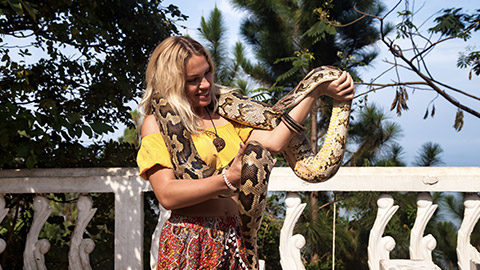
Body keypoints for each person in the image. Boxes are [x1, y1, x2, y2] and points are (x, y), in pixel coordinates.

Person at [137, 36, 355, 269]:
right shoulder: (155, 124)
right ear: (171, 83)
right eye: (193, 80)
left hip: (236, 238)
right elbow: (167, 195)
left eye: (207, 73)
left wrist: (314, 92)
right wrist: (228, 179)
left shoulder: (225, 117)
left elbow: (276, 140)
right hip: (191, 240)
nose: (206, 84)